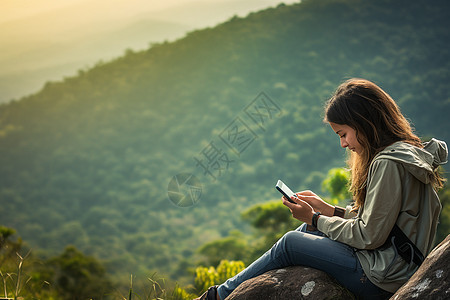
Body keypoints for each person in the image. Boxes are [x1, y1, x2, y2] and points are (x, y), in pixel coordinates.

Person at [195, 78, 448, 300]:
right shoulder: (407, 153)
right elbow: (384, 223)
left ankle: (217, 296)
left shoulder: (386, 163)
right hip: (396, 264)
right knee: (309, 228)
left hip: (382, 275)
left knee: (290, 243)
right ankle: (221, 293)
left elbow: (370, 235)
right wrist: (328, 210)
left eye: (343, 133)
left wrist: (316, 217)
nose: (343, 144)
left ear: (364, 123)